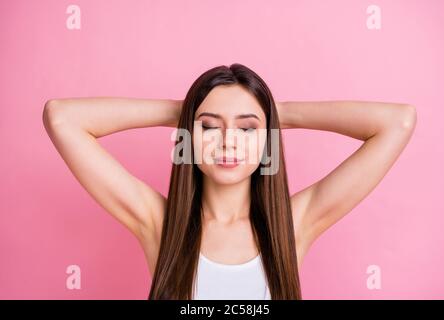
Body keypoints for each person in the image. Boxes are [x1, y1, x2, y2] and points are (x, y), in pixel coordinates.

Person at [42, 63, 417, 299]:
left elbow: (397, 122)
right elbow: (61, 118)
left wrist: (275, 112)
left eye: (247, 127)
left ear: (267, 139)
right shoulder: (159, 223)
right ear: (187, 137)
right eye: (209, 126)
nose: (228, 141)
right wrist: (186, 109)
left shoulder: (293, 223)